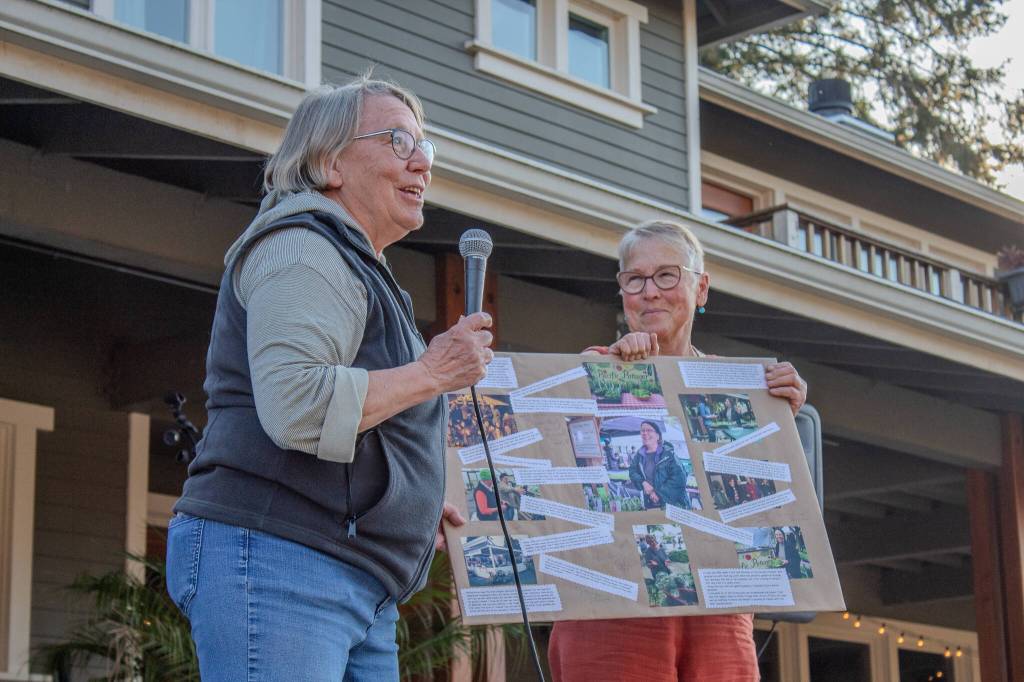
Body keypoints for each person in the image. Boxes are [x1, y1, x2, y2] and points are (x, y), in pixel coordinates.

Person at [164, 75, 494, 681]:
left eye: (426, 147)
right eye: (399, 140)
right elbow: (300, 405)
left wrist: (413, 505)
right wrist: (433, 371)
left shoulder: (352, 261)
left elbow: (362, 424)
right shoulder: (305, 245)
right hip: (278, 559)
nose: (422, 161)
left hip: (347, 575)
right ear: (328, 162)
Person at [548, 219, 808, 682]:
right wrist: (618, 373)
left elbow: (768, 503)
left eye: (667, 275)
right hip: (614, 603)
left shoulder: (743, 387)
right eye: (635, 279)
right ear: (622, 291)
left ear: (701, 288)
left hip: (717, 608)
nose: (650, 291)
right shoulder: (590, 368)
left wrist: (782, 414)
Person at [628, 420, 688, 510]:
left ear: (658, 436)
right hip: (650, 502)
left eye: (648, 430)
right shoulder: (639, 455)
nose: (644, 433)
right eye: (642, 430)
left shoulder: (668, 454)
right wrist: (643, 483)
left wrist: (658, 493)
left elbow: (680, 479)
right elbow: (632, 471)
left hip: (673, 503)